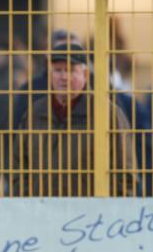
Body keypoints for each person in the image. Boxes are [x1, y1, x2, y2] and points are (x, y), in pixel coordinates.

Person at [10, 38, 138, 198]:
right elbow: (19, 167)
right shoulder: (35, 113)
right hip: (42, 215)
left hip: (90, 218)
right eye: (58, 70)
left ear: (85, 74)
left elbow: (124, 174)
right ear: (50, 74)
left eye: (71, 70)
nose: (64, 77)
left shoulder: (107, 114)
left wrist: (108, 212)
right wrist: (27, 202)